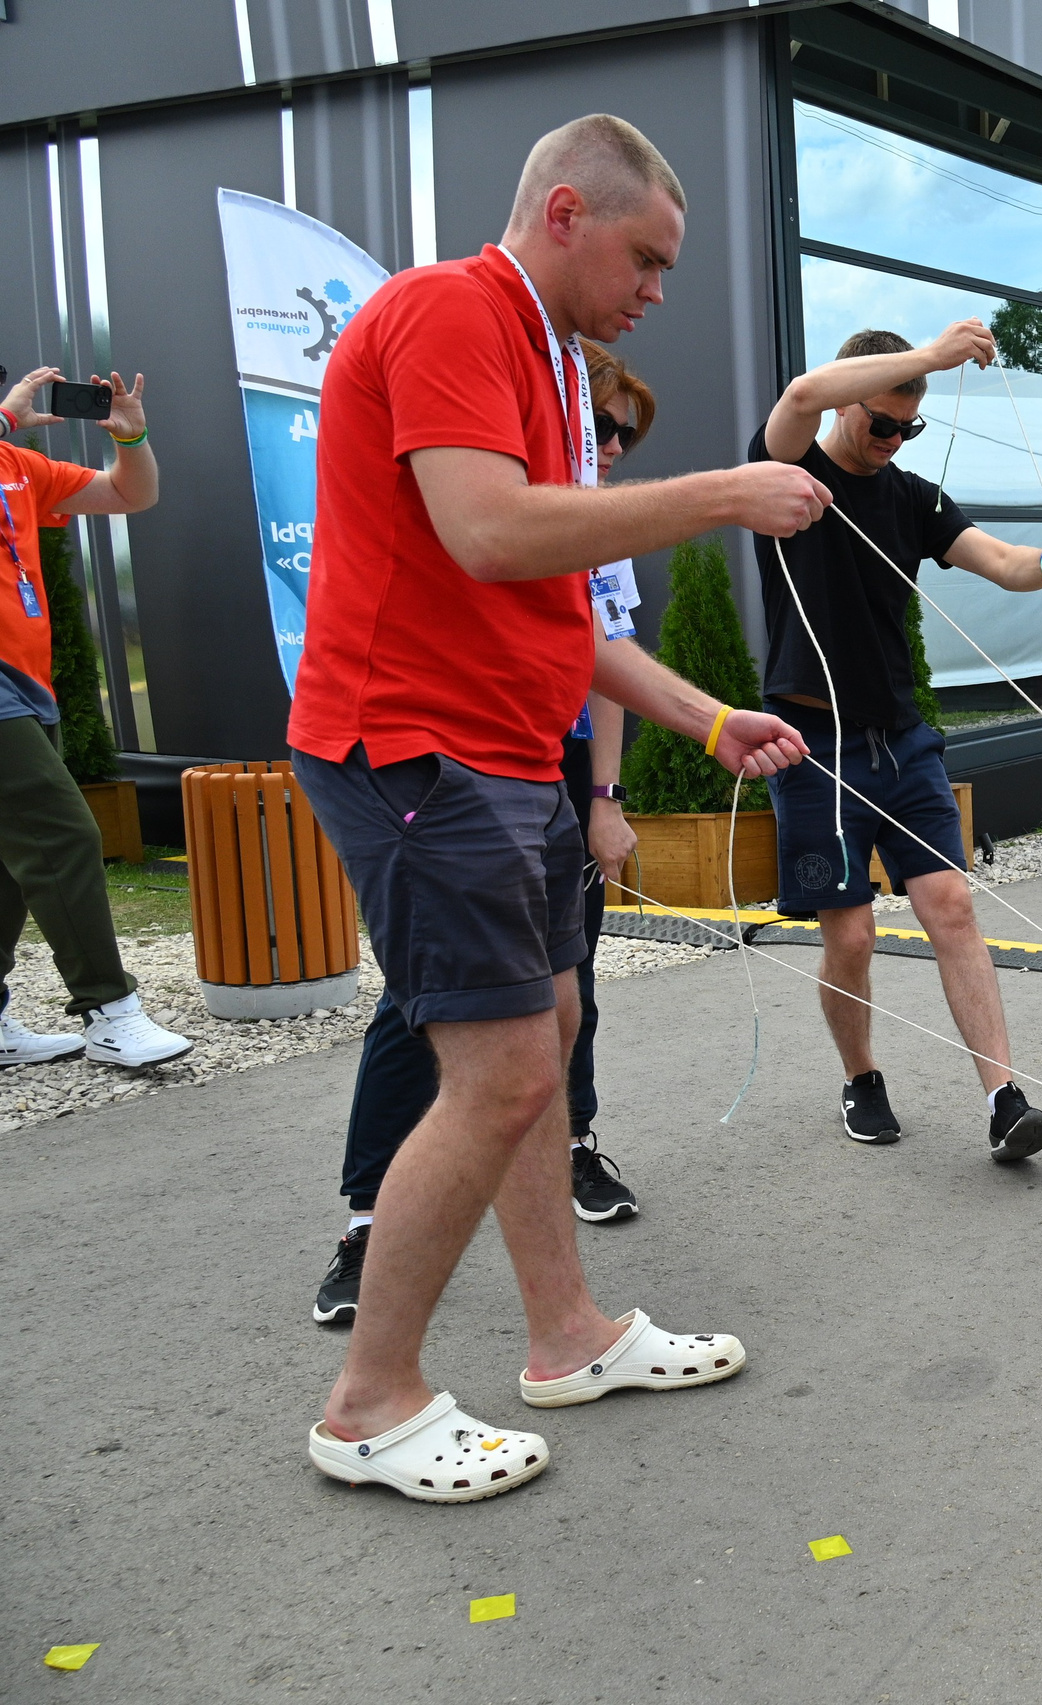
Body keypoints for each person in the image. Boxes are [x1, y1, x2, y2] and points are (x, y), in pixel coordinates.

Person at [288, 114, 831, 1504]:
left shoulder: (548, 362)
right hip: (409, 750)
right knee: (506, 1073)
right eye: (647, 259)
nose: (658, 290)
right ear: (568, 212)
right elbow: (488, 528)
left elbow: (556, 608)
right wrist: (716, 492)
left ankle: (567, 1335)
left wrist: (706, 719)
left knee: (553, 1030)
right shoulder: (447, 311)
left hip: (499, 754)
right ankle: (370, 1402)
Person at [310, 339, 659, 1328]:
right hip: (446, 759)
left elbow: (605, 652)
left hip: (542, 763)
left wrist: (609, 793)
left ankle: (566, 1310)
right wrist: (727, 495)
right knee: (442, 1016)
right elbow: (487, 548)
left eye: (620, 437)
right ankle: (370, 1232)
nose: (609, 449)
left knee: (558, 997)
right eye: (598, 426)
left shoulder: (595, 519)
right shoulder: (468, 466)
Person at [750, 322, 1042, 1160]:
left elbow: (1001, 559)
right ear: (851, 398)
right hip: (815, 745)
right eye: (882, 423)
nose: (894, 440)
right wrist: (933, 356)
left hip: (900, 738)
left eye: (910, 428)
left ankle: (1004, 1099)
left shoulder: (910, 498)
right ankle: (861, 1075)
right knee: (852, 937)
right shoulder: (790, 473)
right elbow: (798, 398)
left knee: (953, 905)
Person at [0, 367, 193, 1072]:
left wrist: (131, 434)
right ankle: (110, 1011)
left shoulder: (17, 466)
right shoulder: (8, 439)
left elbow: (130, 493)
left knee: (12, 864)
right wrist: (10, 418)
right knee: (63, 834)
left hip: (25, 679)